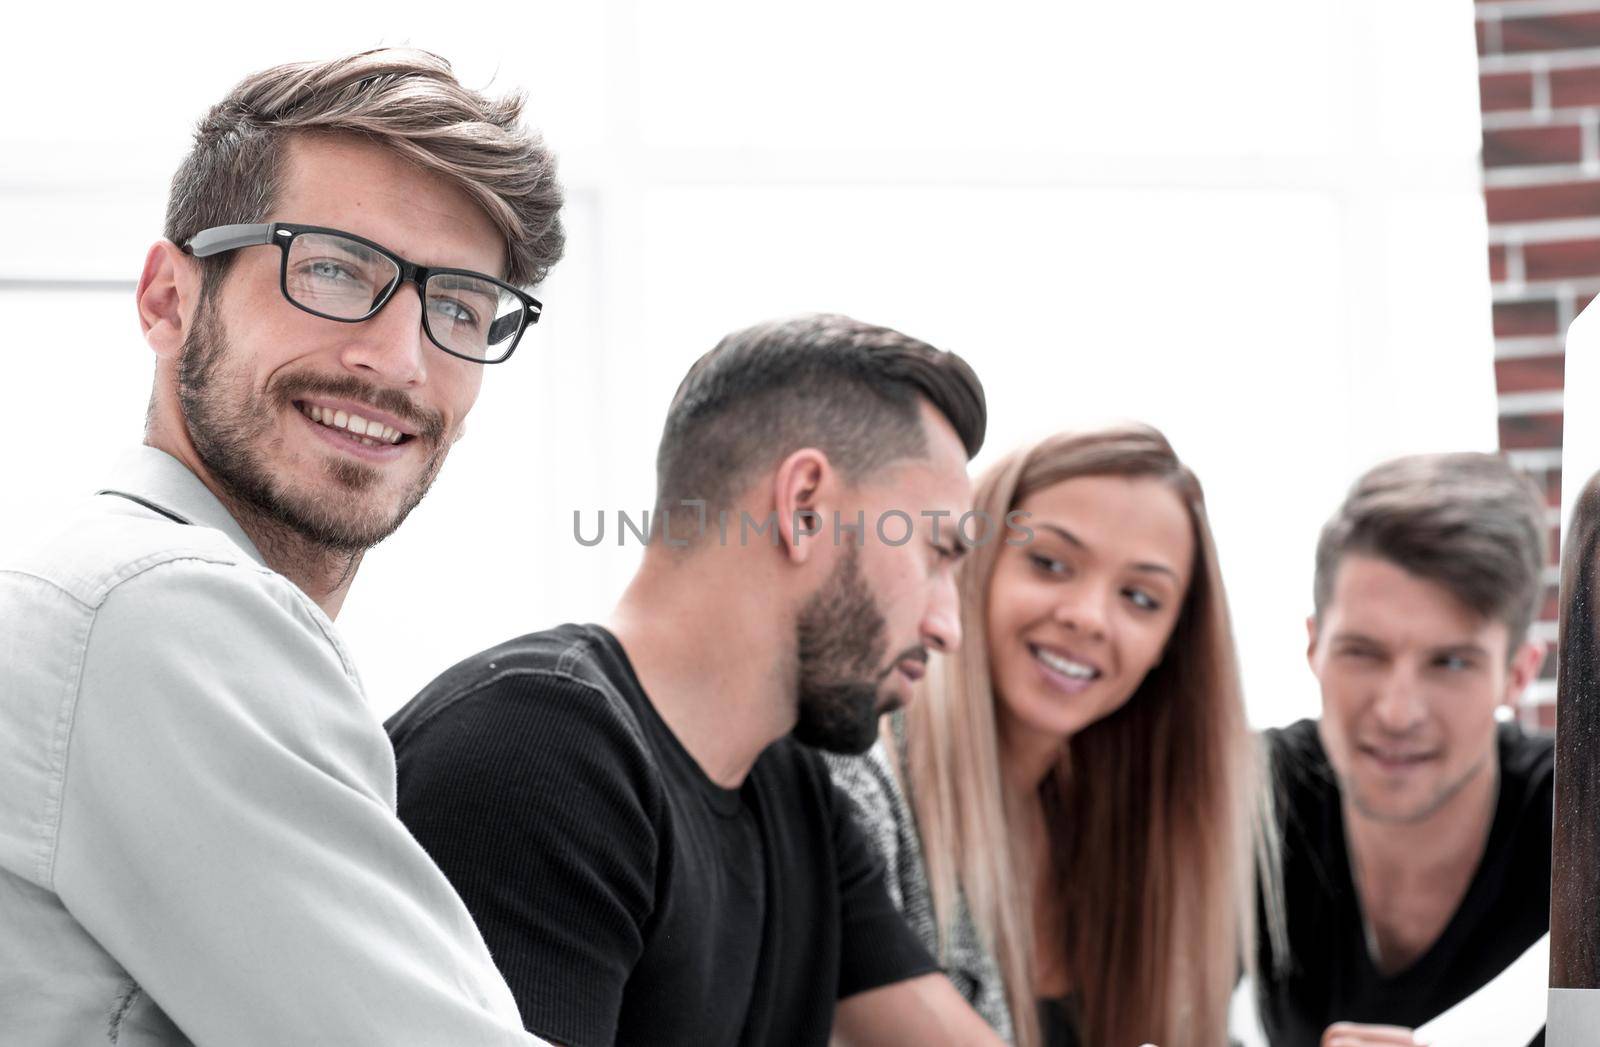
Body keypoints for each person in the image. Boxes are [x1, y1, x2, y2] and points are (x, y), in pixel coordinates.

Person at [0, 49, 564, 1045]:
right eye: (336, 270)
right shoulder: (156, 609)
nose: (397, 360)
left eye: (459, 308)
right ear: (168, 298)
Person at [387, 313, 1006, 1046]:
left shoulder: (795, 787)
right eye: (936, 551)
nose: (948, 626)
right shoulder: (540, 751)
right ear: (805, 505)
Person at [824, 423, 1271, 1047]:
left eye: (1140, 598)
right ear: (967, 559)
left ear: (1171, 649)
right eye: (1051, 563)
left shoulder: (1136, 835)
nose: (1088, 617)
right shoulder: (854, 787)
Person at [1257, 453, 1552, 1047]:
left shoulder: (1578, 821)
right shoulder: (1251, 792)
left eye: (1450, 663)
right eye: (1362, 652)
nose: (1396, 712)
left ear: (1517, 675)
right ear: (1313, 646)